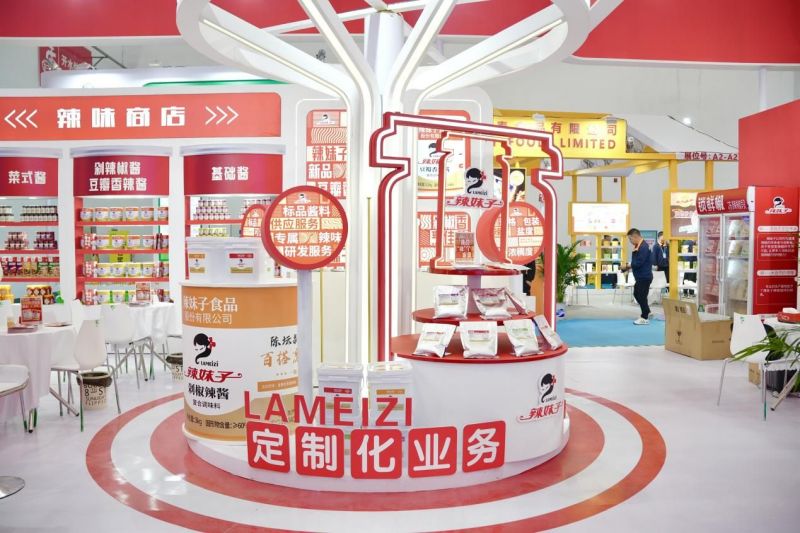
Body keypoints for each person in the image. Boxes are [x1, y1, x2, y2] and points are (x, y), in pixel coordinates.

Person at [622, 228, 653, 325]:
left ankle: (644, 317)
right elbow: (636, 262)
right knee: (638, 294)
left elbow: (639, 262)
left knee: (641, 295)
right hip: (641, 276)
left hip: (644, 276)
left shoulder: (643, 247)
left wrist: (627, 266)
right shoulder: (639, 246)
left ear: (635, 236)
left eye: (630, 239)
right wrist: (627, 266)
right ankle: (647, 311)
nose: (630, 241)